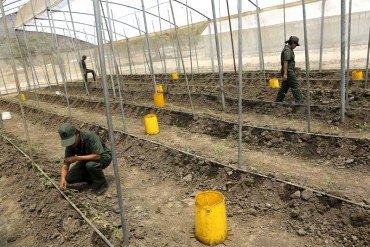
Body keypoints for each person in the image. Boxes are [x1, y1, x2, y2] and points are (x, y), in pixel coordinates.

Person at [58, 123, 111, 196]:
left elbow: (97, 156)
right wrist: (63, 179)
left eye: (71, 140)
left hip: (103, 156)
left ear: (77, 133)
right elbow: (66, 164)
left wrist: (77, 158)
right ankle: (92, 178)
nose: (71, 144)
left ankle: (102, 184)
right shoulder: (70, 146)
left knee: (91, 165)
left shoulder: (90, 136)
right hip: (85, 160)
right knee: (69, 178)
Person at [276, 36, 303, 103]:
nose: (296, 46)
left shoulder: (289, 49)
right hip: (288, 71)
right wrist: (285, 74)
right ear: (293, 43)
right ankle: (299, 101)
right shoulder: (287, 50)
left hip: (288, 71)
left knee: (285, 86)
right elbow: (286, 62)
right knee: (295, 85)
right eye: (296, 44)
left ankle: (278, 100)